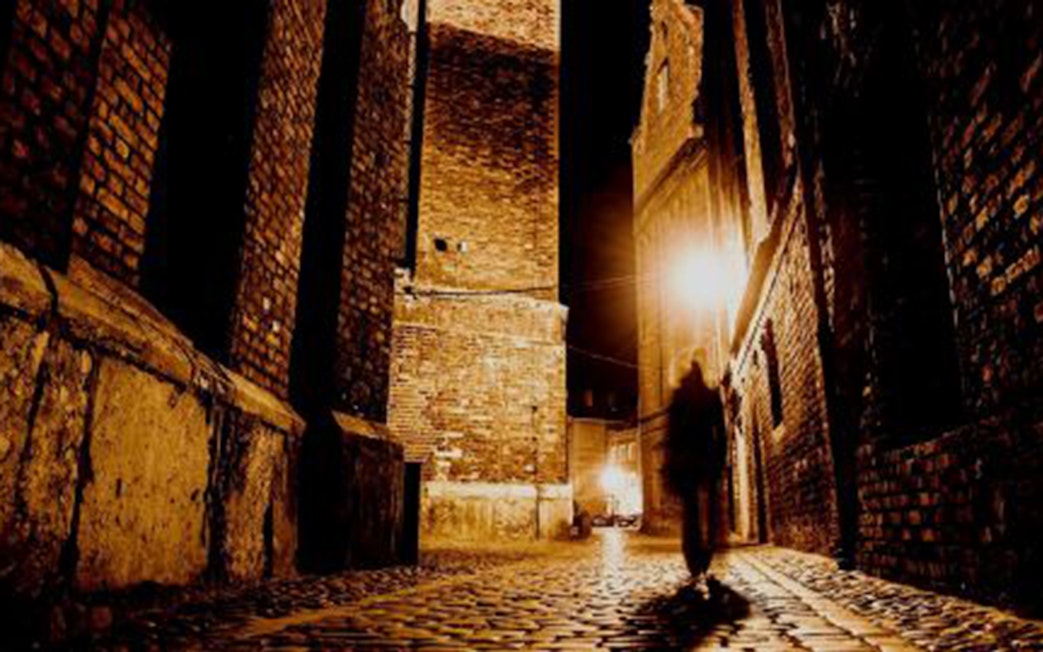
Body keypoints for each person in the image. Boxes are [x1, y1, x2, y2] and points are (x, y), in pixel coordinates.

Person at [663, 360, 726, 586]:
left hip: (687, 461)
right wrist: (720, 458)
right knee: (708, 508)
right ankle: (706, 551)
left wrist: (670, 462)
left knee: (691, 511)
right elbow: (721, 431)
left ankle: (693, 555)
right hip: (706, 458)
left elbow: (671, 435)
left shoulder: (679, 398)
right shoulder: (710, 396)